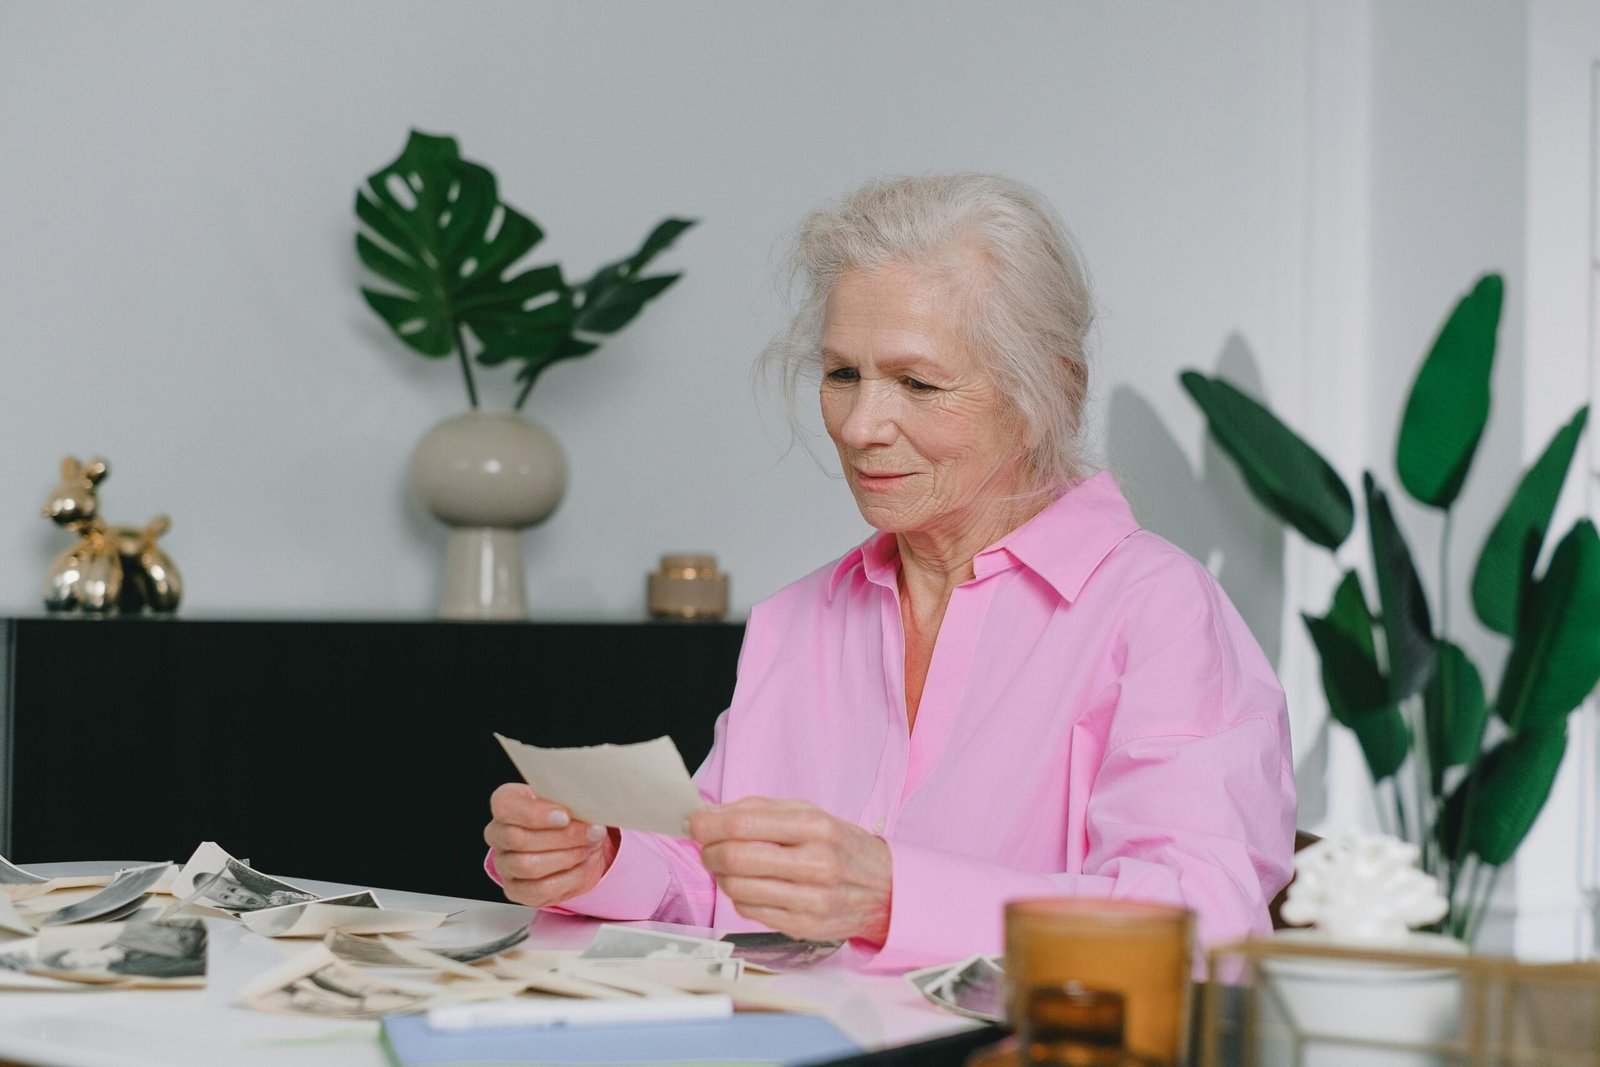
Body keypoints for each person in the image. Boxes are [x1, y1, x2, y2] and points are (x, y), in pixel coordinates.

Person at [484, 173, 1296, 972]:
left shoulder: (1157, 609)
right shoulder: (799, 619)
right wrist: (601, 860)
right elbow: (724, 883)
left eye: (918, 382)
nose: (864, 426)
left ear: (1052, 387)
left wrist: (888, 894)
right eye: (843, 375)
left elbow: (1203, 924)